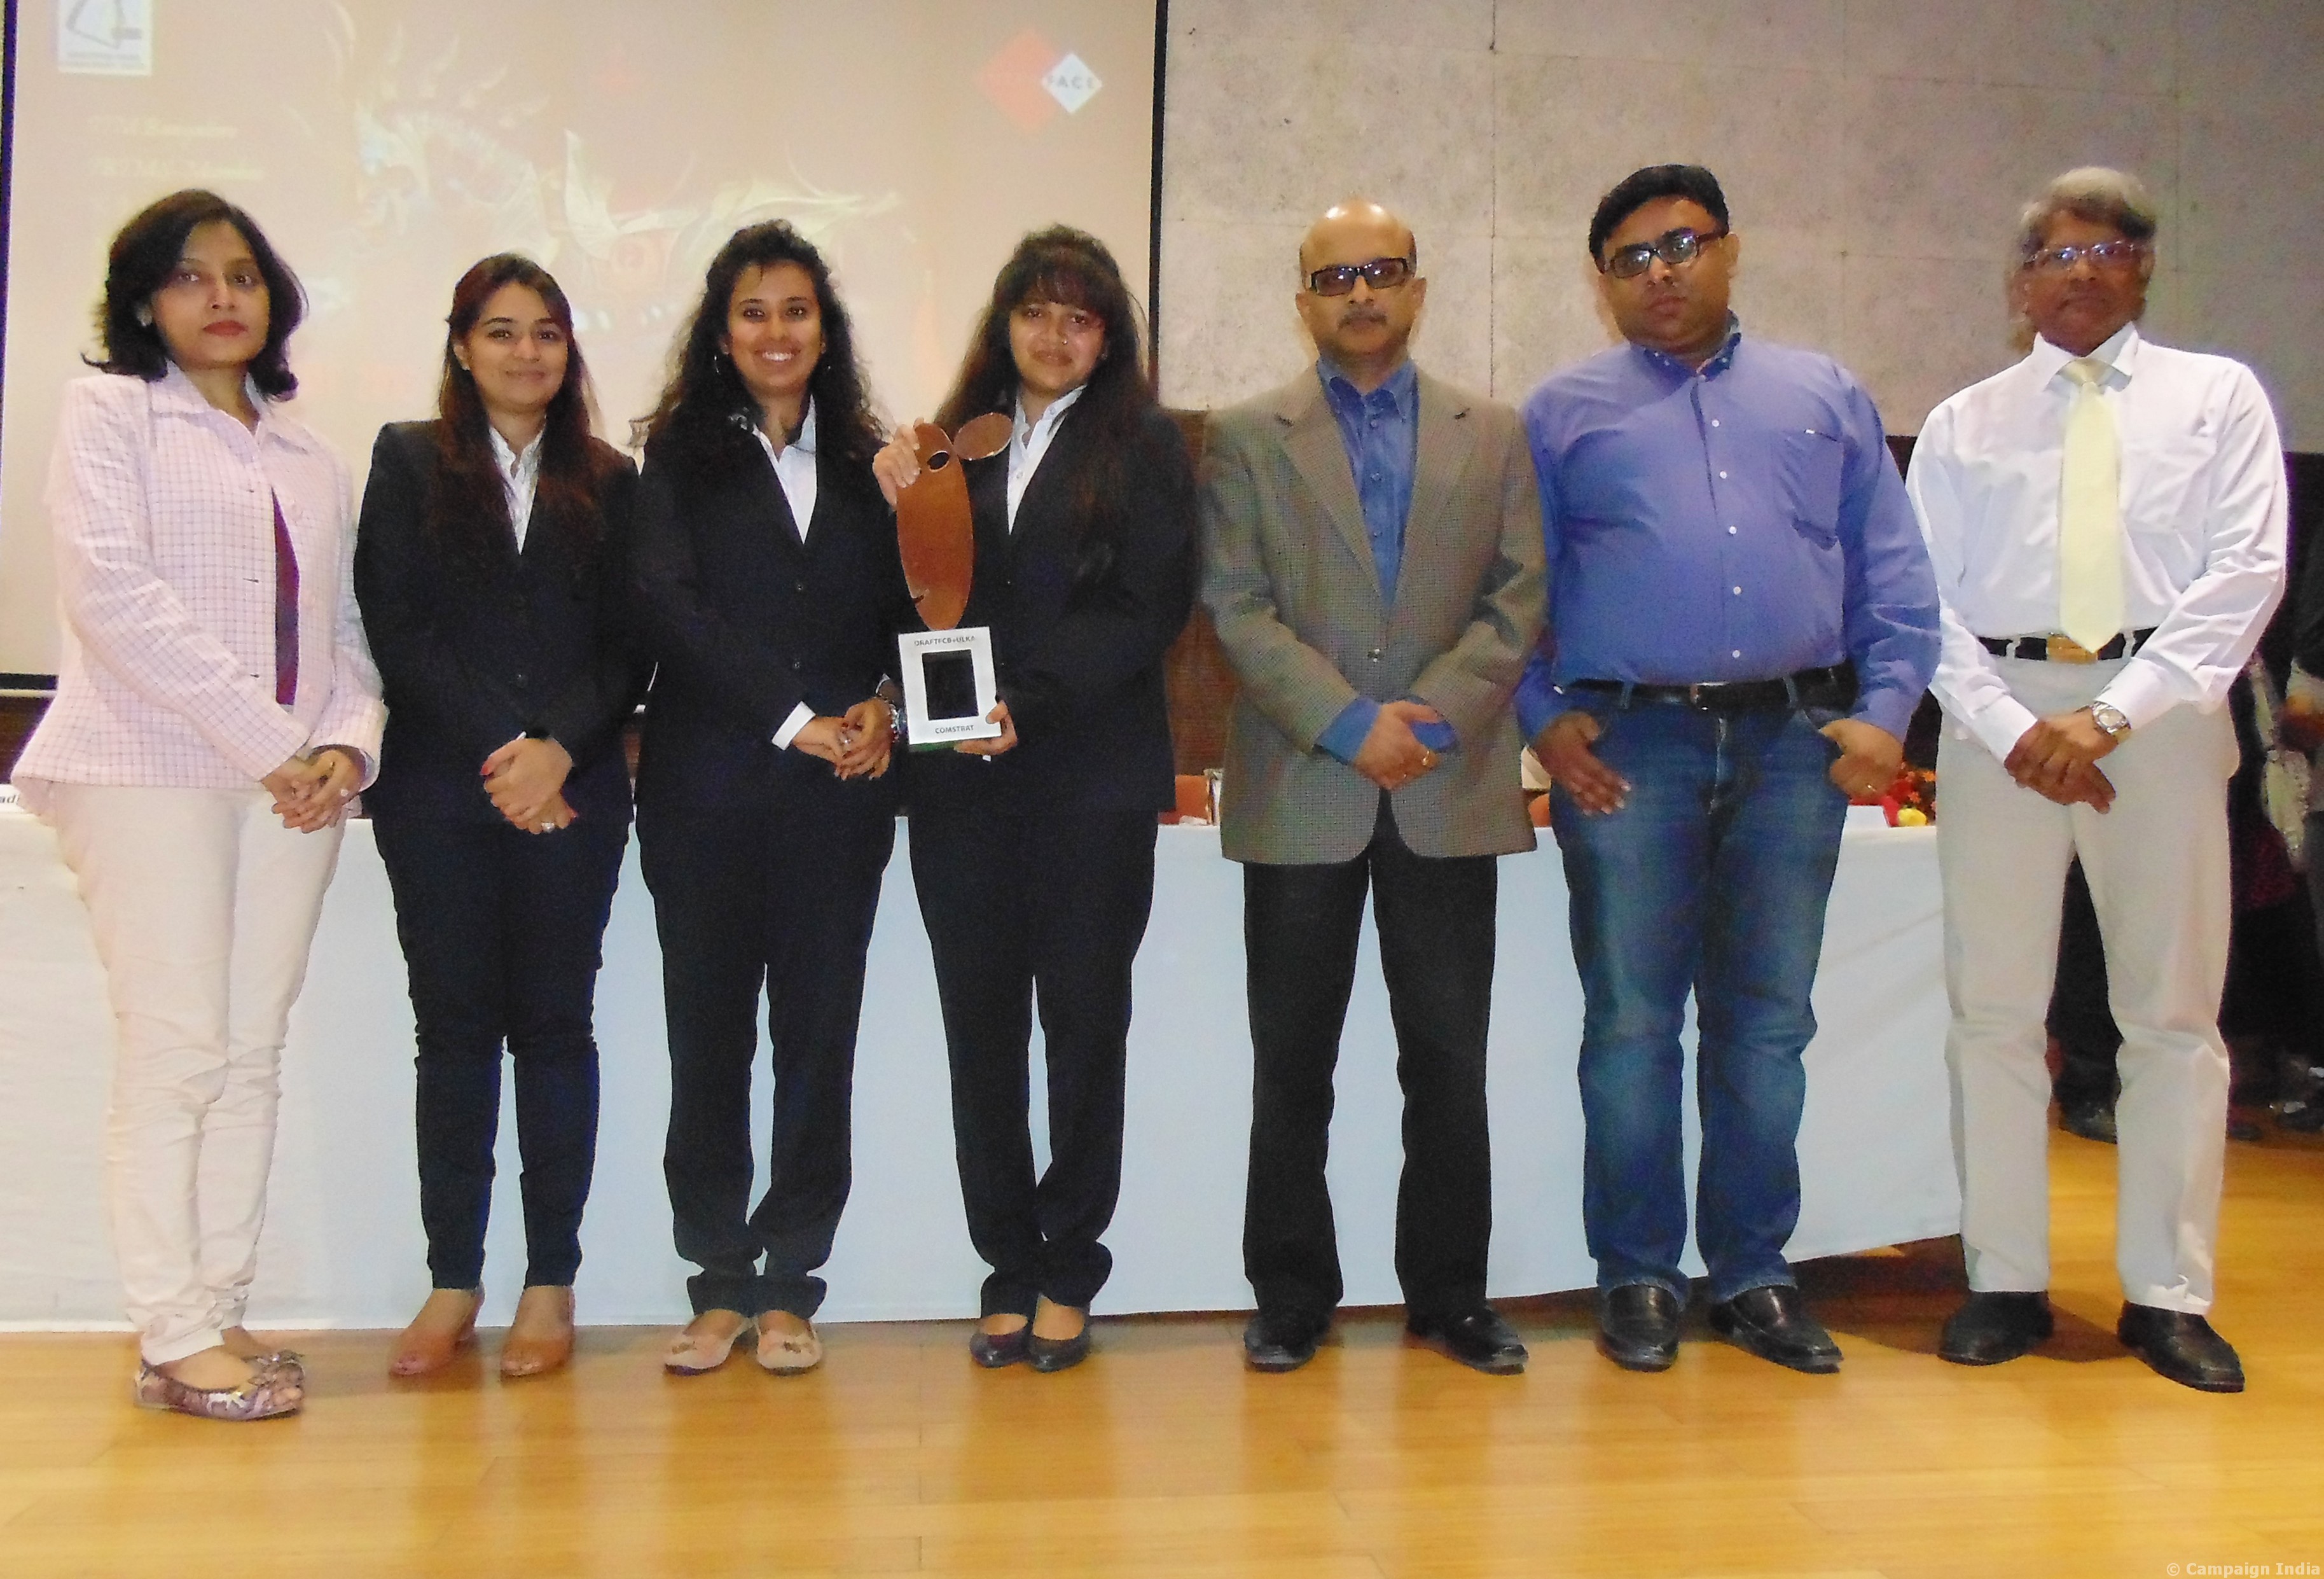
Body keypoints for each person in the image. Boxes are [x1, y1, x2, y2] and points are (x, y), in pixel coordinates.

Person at [1518, 165, 1940, 1376]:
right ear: (1602, 282)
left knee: (1766, 1022)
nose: (1661, 272)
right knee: (1631, 1021)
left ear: (1729, 249)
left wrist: (1884, 713)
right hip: (1626, 749)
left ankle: (1754, 1271)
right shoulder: (1559, 414)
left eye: (1683, 244)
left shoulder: (1825, 395)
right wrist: (1543, 717)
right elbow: (1509, 588)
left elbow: (1891, 568)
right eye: (1632, 258)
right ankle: (1639, 1272)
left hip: (1795, 746)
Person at [1909, 167, 2286, 1392]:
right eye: (2055, 255)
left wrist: (2112, 714)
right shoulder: (1963, 421)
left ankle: (2168, 1294)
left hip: (2159, 713)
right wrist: (2015, 727)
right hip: (1999, 720)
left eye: (2107, 249)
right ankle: (2003, 1278)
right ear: (2018, 283)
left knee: (2170, 1016)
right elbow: (1919, 599)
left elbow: (2246, 572)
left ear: (2144, 266)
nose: (2081, 272)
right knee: (1993, 1011)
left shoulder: (2216, 397)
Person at [10, 190, 384, 1419]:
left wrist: (344, 748)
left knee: (250, 1048)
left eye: (242, 275)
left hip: (291, 791)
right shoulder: (111, 413)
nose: (221, 297)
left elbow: (344, 632)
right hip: (145, 770)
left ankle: (217, 1306)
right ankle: (170, 1330)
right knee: (176, 1049)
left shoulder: (307, 454)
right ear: (142, 302)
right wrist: (274, 744)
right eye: (188, 276)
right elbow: (114, 599)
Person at [1200, 198, 1546, 1376]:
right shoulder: (1246, 436)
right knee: (1292, 1064)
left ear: (1417, 288)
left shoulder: (1493, 432)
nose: (1360, 294)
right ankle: (1291, 1294)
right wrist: (1352, 725)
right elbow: (1235, 606)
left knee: (1447, 1061)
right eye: (1335, 277)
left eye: (1381, 272)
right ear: (1302, 300)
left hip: (1447, 785)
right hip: (1305, 781)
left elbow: (1518, 597)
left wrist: (1430, 718)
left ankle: (1450, 1295)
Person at [873, 226, 1195, 1373]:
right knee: (981, 1035)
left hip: (1088, 784)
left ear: (1107, 337)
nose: (1054, 336)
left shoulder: (1144, 444)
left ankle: (1069, 1265)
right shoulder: (947, 443)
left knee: (1083, 1029)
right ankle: (1005, 1264)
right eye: (1034, 312)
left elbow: (1151, 605)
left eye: (1079, 317)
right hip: (960, 788)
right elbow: (909, 602)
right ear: (1001, 322)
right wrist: (890, 504)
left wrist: (1032, 701)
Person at [354, 254, 647, 1380]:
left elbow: (630, 642)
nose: (527, 352)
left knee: (557, 1029)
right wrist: (506, 752)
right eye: (501, 331)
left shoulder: (610, 479)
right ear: (462, 347)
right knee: (455, 1032)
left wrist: (557, 749)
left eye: (547, 333)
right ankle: (454, 1278)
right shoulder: (406, 459)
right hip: (441, 792)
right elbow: (396, 624)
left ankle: (550, 1280)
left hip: (576, 791)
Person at [632, 221, 908, 1377]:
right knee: (707, 1043)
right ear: (721, 331)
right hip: (704, 796)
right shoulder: (674, 456)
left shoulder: (875, 465)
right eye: (753, 311)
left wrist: (887, 705)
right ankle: (716, 1281)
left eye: (797, 310)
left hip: (838, 804)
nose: (776, 331)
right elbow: (670, 607)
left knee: (816, 1043)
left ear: (824, 330)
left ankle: (792, 1279)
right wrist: (796, 718)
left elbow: (913, 610)